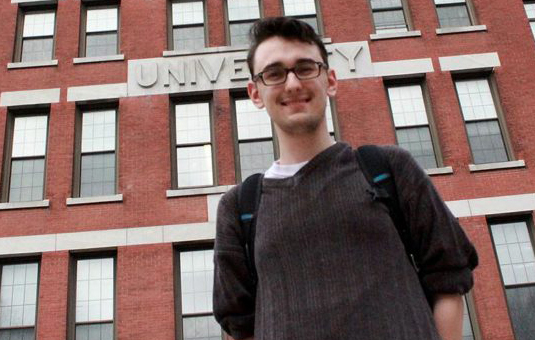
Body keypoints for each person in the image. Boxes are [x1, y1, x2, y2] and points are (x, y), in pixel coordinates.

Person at [213, 17, 478, 340]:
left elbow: (448, 279)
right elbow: (239, 327)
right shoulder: (239, 208)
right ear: (255, 93)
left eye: (306, 68)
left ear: (331, 80)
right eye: (275, 73)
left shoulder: (389, 169)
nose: (293, 83)